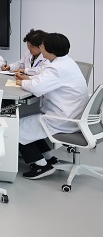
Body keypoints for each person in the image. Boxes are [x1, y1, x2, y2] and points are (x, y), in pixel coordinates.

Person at [15, 33, 88, 180]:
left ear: (50, 50)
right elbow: (46, 79)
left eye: (42, 45)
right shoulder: (67, 62)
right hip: (74, 114)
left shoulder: (56, 68)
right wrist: (30, 78)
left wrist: (22, 82)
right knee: (31, 125)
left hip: (63, 119)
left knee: (16, 128)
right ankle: (49, 157)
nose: (40, 47)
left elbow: (36, 88)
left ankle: (41, 166)